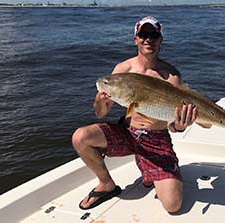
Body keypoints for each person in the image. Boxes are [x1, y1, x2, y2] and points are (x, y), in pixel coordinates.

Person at [72, 16, 197, 213]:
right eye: (143, 35)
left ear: (160, 39)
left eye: (154, 35)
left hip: (156, 139)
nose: (148, 39)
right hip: (128, 133)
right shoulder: (122, 70)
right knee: (81, 137)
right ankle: (106, 184)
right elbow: (101, 114)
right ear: (136, 39)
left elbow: (172, 123)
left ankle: (152, 167)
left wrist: (179, 126)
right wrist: (99, 101)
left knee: (173, 205)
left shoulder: (171, 76)